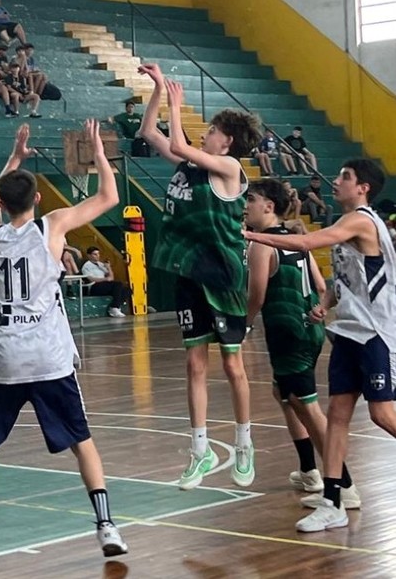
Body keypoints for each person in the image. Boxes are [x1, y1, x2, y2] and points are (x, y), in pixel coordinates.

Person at [0, 121, 128, 559]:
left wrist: (14, 156)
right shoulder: (52, 226)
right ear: (38, 199)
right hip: (47, 355)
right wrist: (99, 152)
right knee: (83, 442)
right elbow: (109, 197)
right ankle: (106, 526)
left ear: (3, 204)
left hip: (4, 356)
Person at [244, 159, 391, 533]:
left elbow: (307, 242)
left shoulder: (362, 220)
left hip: (377, 334)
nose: (336, 181)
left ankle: (334, 496)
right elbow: (342, 281)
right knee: (337, 416)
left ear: (363, 189)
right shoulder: (346, 226)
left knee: (382, 415)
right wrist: (324, 306)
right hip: (349, 333)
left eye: (345, 177)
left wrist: (250, 235)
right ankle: (333, 501)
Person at [138, 62, 260, 490]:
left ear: (225, 142)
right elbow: (150, 132)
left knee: (232, 365)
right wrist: (156, 89)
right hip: (188, 271)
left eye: (210, 130)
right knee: (194, 363)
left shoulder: (230, 170)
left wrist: (177, 104)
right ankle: (200, 450)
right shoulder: (191, 164)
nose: (204, 133)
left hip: (223, 274)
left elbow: (178, 142)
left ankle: (244, 444)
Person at [244, 178, 359, 503]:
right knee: (284, 392)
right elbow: (321, 286)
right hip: (308, 329)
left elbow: (257, 295)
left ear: (269, 206)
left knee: (308, 407)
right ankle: (309, 471)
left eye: (251, 199)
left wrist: (242, 327)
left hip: (287, 333)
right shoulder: (295, 239)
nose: (245, 205)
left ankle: (345, 486)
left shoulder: (261, 244)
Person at [80, 246, 128, 317]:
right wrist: (105, 279)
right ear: (89, 255)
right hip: (94, 286)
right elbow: (91, 279)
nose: (97, 256)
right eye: (95, 254)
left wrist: (108, 267)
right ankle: (115, 307)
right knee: (118, 284)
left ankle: (115, 306)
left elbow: (111, 278)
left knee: (127, 290)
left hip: (104, 285)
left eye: (98, 254)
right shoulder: (86, 266)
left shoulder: (101, 264)